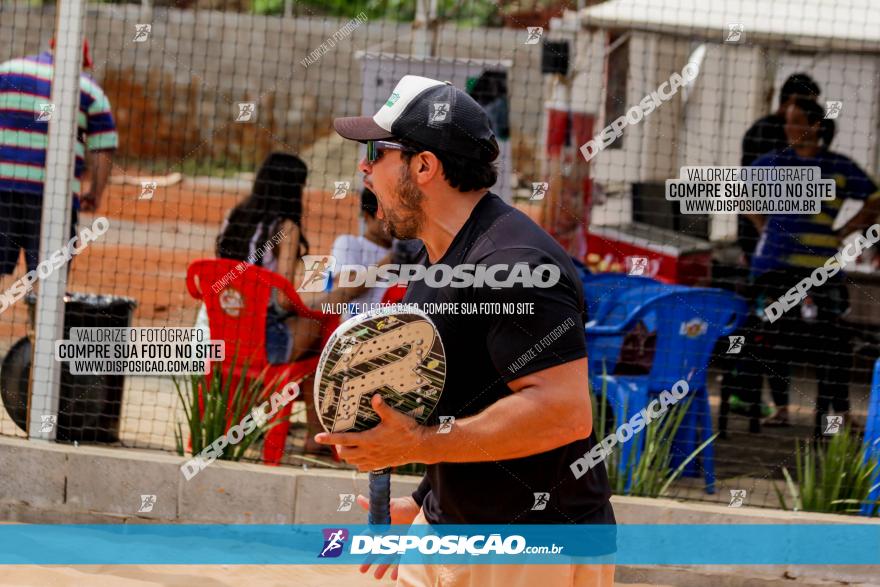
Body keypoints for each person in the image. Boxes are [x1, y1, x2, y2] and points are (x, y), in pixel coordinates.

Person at [322, 75, 615, 586]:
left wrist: (415, 444)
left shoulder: (513, 265)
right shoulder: (441, 257)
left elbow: (563, 414)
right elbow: (473, 395)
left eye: (376, 151)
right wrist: (420, 502)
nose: (364, 169)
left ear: (425, 166)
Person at [748, 98, 880, 433]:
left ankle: (840, 416)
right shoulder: (773, 163)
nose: (789, 128)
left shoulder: (839, 166)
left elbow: (875, 197)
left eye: (796, 121)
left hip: (822, 271)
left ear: (816, 126)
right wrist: (764, 226)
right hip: (774, 269)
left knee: (833, 342)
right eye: (787, 122)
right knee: (776, 338)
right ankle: (780, 408)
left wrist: (846, 230)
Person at [0, 38, 117, 277]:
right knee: (49, 277)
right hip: (54, 197)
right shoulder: (89, 89)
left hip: (2, 189)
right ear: (83, 60)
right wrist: (95, 193)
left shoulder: (7, 71)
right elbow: (103, 148)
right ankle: (38, 314)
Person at [739, 73, 821, 261]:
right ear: (792, 101)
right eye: (809, 106)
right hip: (766, 234)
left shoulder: (765, 129)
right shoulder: (771, 133)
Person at [329, 188, 392, 320]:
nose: (393, 225)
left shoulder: (410, 250)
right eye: (386, 219)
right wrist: (391, 259)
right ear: (368, 217)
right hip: (359, 330)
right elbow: (346, 288)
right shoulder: (348, 243)